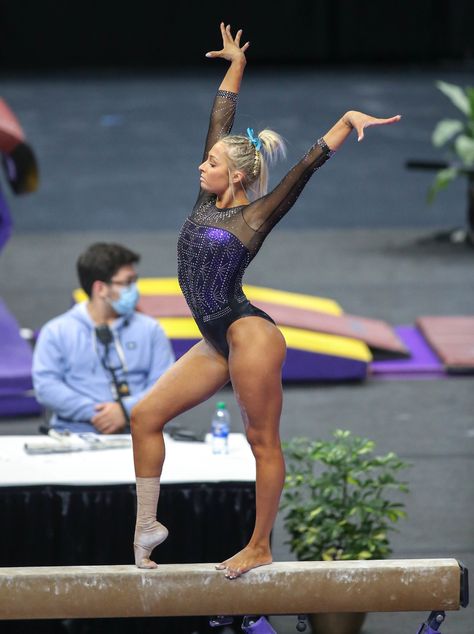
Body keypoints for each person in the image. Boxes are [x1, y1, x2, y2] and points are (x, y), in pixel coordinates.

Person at [131, 23, 401, 577]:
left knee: (261, 439)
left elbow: (305, 168)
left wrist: (347, 121)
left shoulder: (254, 216)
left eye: (209, 164)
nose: (200, 166)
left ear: (233, 176)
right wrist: (236, 64)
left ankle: (259, 544)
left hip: (247, 332)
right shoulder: (206, 200)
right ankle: (146, 526)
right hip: (215, 338)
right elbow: (222, 117)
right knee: (144, 417)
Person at [32, 242, 175, 434]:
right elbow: (46, 387)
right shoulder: (57, 331)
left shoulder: (151, 330)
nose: (135, 289)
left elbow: (166, 386)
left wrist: (125, 411)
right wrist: (98, 414)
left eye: (135, 281)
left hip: (139, 433)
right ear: (100, 289)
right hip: (75, 434)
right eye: (127, 282)